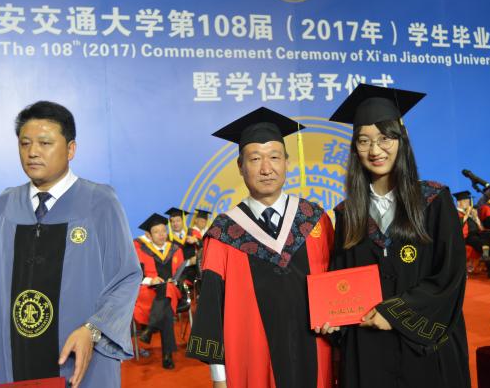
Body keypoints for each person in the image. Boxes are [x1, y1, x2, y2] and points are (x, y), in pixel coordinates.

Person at [0, 101, 141, 388]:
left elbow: (126, 277)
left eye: (45, 143)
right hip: (17, 362)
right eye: (25, 143)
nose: (32, 152)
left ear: (71, 149)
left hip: (80, 360)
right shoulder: (3, 207)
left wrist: (93, 329)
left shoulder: (99, 202)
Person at [324, 84, 470, 388]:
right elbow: (340, 281)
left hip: (425, 348)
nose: (375, 150)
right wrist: (332, 318)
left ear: (401, 140)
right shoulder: (347, 214)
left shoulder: (433, 200)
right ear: (354, 149)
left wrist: (395, 313)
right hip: (369, 351)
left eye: (384, 138)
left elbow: (450, 275)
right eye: (364, 141)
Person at [186, 107, 335, 388]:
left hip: (316, 355)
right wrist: (219, 377)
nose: (266, 169)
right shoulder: (224, 232)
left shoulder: (315, 219)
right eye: (255, 159)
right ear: (240, 166)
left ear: (287, 163)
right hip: (252, 364)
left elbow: (337, 286)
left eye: (275, 157)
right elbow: (212, 309)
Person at [133, 213, 184, 369]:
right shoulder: (140, 250)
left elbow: (183, 274)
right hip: (149, 292)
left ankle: (150, 328)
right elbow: (135, 275)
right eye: (156, 232)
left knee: (168, 288)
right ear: (148, 235)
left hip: (172, 290)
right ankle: (167, 355)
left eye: (163, 231)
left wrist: (175, 281)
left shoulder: (175, 249)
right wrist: (151, 280)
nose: (161, 234)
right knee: (166, 308)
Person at [454, 191, 490, 279]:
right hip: (465, 237)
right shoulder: (454, 213)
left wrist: (476, 218)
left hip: (477, 234)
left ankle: (486, 256)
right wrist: (467, 214)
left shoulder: (470, 213)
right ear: (459, 202)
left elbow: (481, 228)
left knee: (487, 233)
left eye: (468, 201)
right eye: (465, 201)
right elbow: (458, 226)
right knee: (483, 243)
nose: (468, 203)